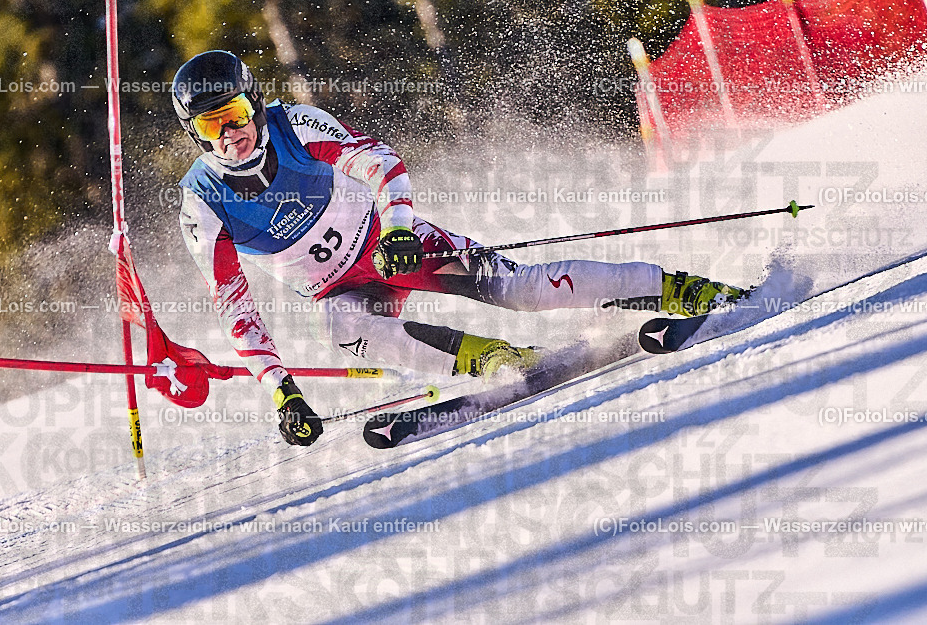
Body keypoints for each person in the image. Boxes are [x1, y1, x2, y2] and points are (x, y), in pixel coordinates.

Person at [172, 50, 745, 447]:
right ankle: (503, 361)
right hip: (342, 286)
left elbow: (382, 163)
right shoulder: (202, 201)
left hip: (393, 243)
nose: (232, 133)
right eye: (212, 125)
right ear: (195, 134)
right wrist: (283, 394)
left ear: (256, 104)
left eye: (239, 114)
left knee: (523, 290)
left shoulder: (295, 126)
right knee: (350, 333)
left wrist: (398, 226)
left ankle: (679, 288)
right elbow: (236, 309)